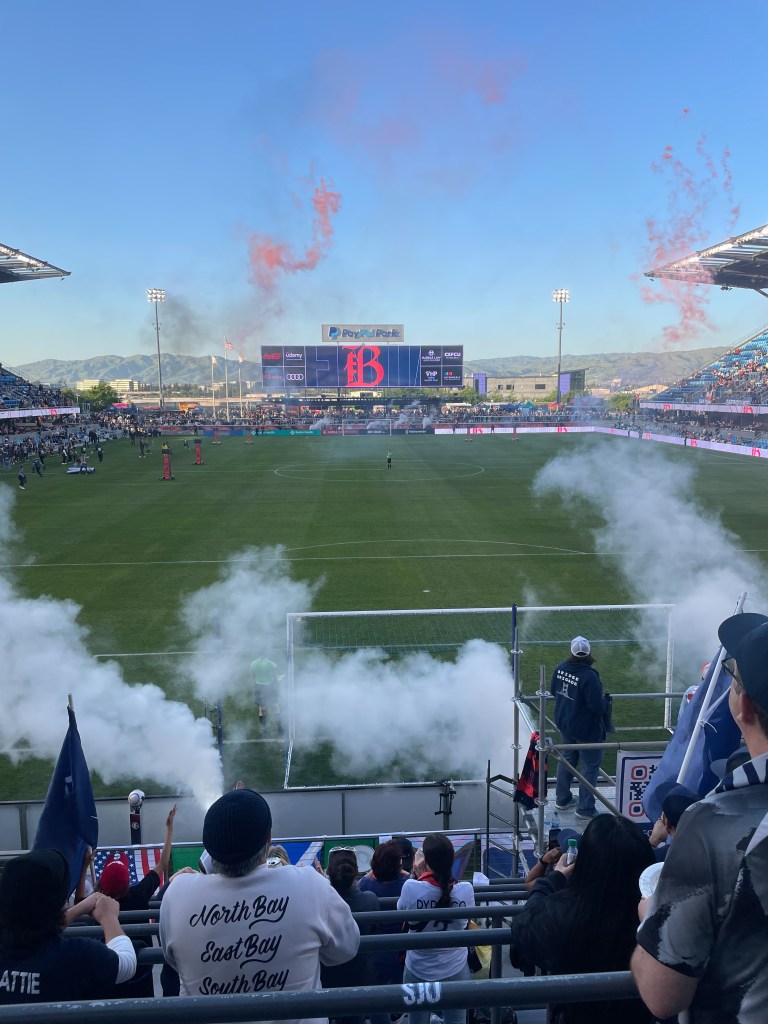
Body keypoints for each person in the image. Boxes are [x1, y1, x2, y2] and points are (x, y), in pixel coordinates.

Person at [632, 611, 768, 1023]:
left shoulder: (714, 823)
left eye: (732, 674)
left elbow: (662, 994)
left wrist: (650, 916)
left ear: (742, 705)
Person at [159, 788, 360, 1013]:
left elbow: (174, 960)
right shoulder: (310, 884)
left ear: (209, 847)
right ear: (269, 838)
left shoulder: (177, 894)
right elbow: (346, 949)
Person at [510, 815, 654, 1024]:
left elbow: (523, 928)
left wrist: (555, 877)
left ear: (586, 861)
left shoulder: (562, 911)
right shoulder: (656, 916)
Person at [0, 849, 136, 1004]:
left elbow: (34, 926)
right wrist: (108, 918)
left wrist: (78, 908)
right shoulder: (78, 956)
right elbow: (127, 963)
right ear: (62, 901)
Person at [97, 804, 177, 997]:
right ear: (127, 883)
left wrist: (85, 866)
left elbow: (82, 898)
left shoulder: (96, 903)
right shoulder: (139, 893)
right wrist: (169, 829)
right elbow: (162, 864)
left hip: (111, 975)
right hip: (141, 973)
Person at [397, 833, 475, 1024]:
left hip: (418, 968)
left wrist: (417, 874)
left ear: (425, 860)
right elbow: (466, 921)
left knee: (417, 1020)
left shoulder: (411, 887)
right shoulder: (466, 889)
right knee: (456, 1020)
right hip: (456, 967)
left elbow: (401, 910)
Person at [320, 848, 378, 1024]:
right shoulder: (370, 900)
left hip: (325, 980)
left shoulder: (319, 903)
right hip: (359, 978)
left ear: (328, 872)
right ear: (356, 873)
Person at [551, 636, 606, 819]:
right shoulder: (589, 676)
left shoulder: (560, 668)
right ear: (588, 652)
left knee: (566, 760)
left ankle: (562, 798)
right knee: (589, 767)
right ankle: (585, 808)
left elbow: (553, 692)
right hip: (586, 730)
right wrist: (607, 703)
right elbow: (596, 706)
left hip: (565, 724)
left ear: (572, 652)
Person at [359, 840, 408, 1024]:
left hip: (375, 956)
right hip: (402, 955)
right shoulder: (407, 885)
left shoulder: (365, 886)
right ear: (399, 865)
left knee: (378, 1003)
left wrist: (372, 874)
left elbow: (366, 880)